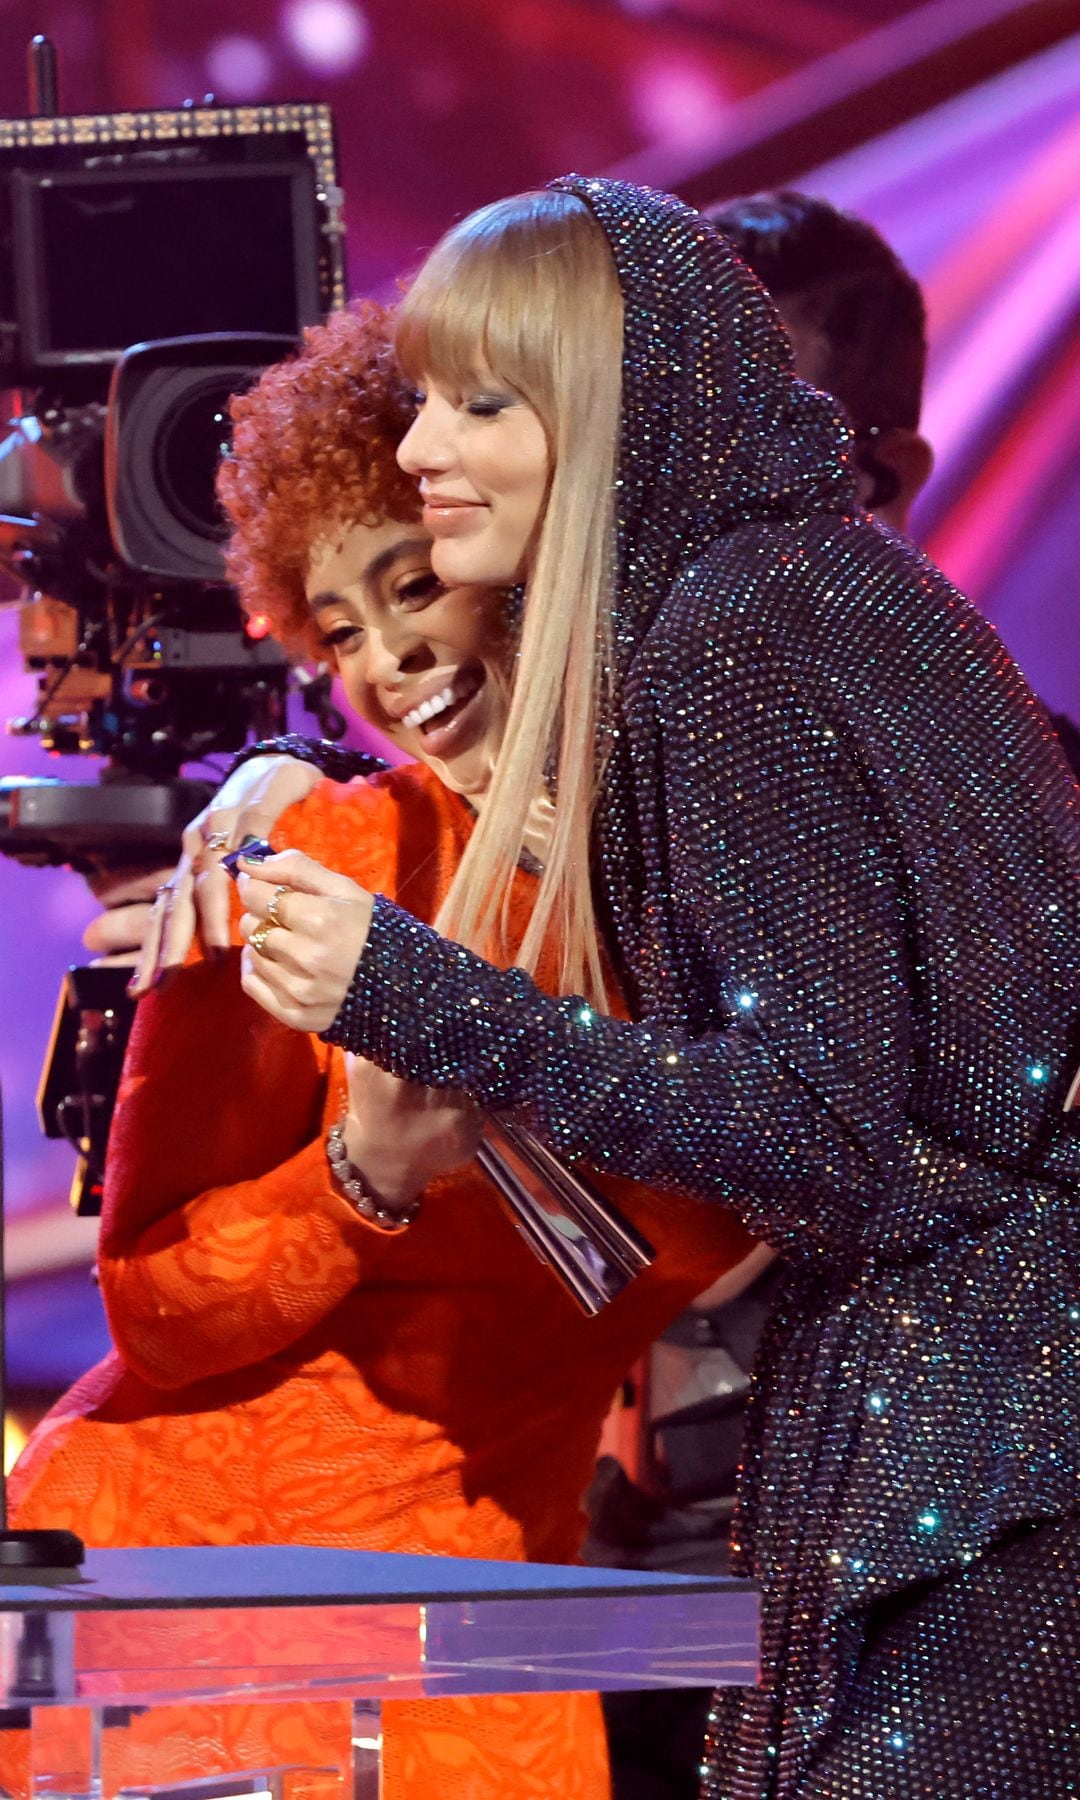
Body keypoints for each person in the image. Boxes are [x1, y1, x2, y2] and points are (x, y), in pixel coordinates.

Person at [224, 178, 1080, 1797]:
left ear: (616, 406)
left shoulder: (732, 632)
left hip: (976, 1450)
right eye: (421, 402)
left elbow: (822, 1136)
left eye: (483, 403)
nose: (419, 454)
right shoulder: (809, 592)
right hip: (984, 1426)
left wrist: (415, 996)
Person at [8, 301, 755, 1800]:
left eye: (411, 584)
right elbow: (151, 1301)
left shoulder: (727, 891)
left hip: (491, 1643)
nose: (384, 657)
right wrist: (364, 1175)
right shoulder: (314, 858)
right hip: (203, 1607)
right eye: (333, 626)